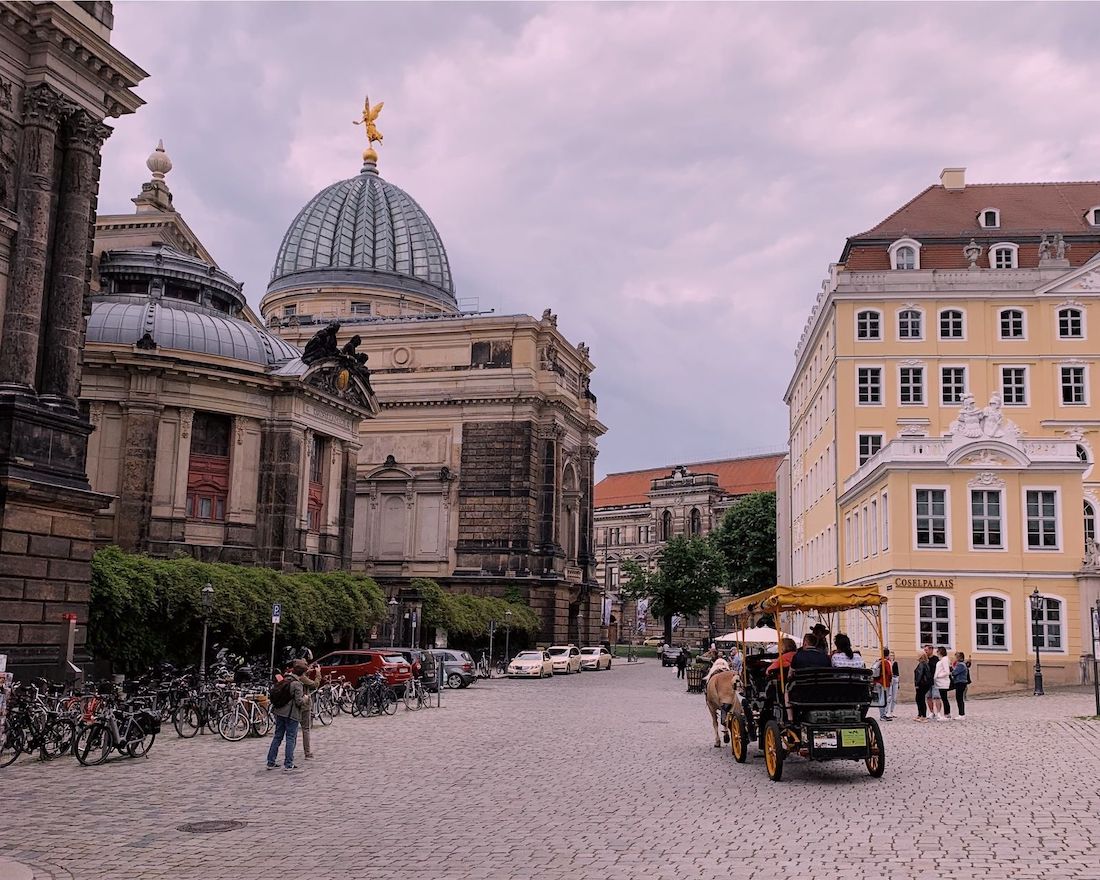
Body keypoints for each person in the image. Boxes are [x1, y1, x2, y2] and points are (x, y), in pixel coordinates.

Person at [267, 659, 307, 770]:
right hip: (291, 715)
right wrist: (305, 699)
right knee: (290, 738)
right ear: (302, 673)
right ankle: (288, 764)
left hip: (279, 712)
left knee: (277, 737)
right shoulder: (297, 684)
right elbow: (299, 702)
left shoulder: (285, 679)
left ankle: (270, 761)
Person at [298, 660, 321, 759]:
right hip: (304, 705)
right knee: (306, 729)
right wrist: (318, 673)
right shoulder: (303, 678)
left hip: (295, 706)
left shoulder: (294, 675)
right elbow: (315, 685)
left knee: (291, 731)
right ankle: (307, 753)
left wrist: (308, 671)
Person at [872, 646, 893, 721]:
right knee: (883, 699)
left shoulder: (878, 661)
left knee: (880, 697)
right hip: (884, 682)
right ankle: (882, 715)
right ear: (888, 654)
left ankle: (882, 714)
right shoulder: (886, 662)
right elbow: (889, 673)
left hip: (877, 682)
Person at [934, 647, 952, 718]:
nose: (937, 653)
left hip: (943, 682)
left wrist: (938, 676)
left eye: (938, 651)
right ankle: (947, 714)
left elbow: (947, 672)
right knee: (944, 698)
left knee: (944, 698)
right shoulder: (942, 659)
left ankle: (947, 714)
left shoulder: (944, 659)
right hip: (940, 682)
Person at [951, 651, 971, 719]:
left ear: (959, 657)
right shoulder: (961, 664)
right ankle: (961, 714)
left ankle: (961, 714)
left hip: (960, 682)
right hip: (961, 682)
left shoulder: (960, 665)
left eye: (956, 657)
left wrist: (952, 669)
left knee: (959, 699)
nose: (955, 658)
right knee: (959, 698)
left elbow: (954, 673)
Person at [913, 653, 932, 721]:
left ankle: (923, 716)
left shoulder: (922, 664)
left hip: (921, 684)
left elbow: (919, 675)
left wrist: (917, 684)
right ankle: (920, 714)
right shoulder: (925, 663)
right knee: (919, 699)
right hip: (924, 684)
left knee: (920, 699)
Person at [886, 651, 900, 719]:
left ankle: (892, 711)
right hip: (890, 679)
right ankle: (887, 711)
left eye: (893, 655)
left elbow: (897, 673)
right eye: (890, 655)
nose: (891, 656)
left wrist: (898, 682)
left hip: (895, 678)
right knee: (889, 696)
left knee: (894, 697)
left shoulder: (895, 663)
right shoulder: (887, 662)